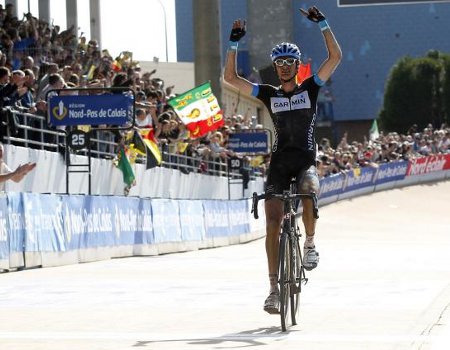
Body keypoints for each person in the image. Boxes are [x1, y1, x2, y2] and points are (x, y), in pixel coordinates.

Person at [223, 6, 341, 314]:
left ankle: (310, 244)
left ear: (297, 65)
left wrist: (323, 24)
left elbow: (335, 58)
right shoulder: (268, 93)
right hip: (278, 163)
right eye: (280, 63)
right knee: (273, 223)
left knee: (311, 189)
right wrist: (234, 43)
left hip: (304, 161)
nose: (285, 67)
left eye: (290, 62)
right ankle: (274, 289)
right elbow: (230, 78)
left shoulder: (310, 88)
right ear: (275, 67)